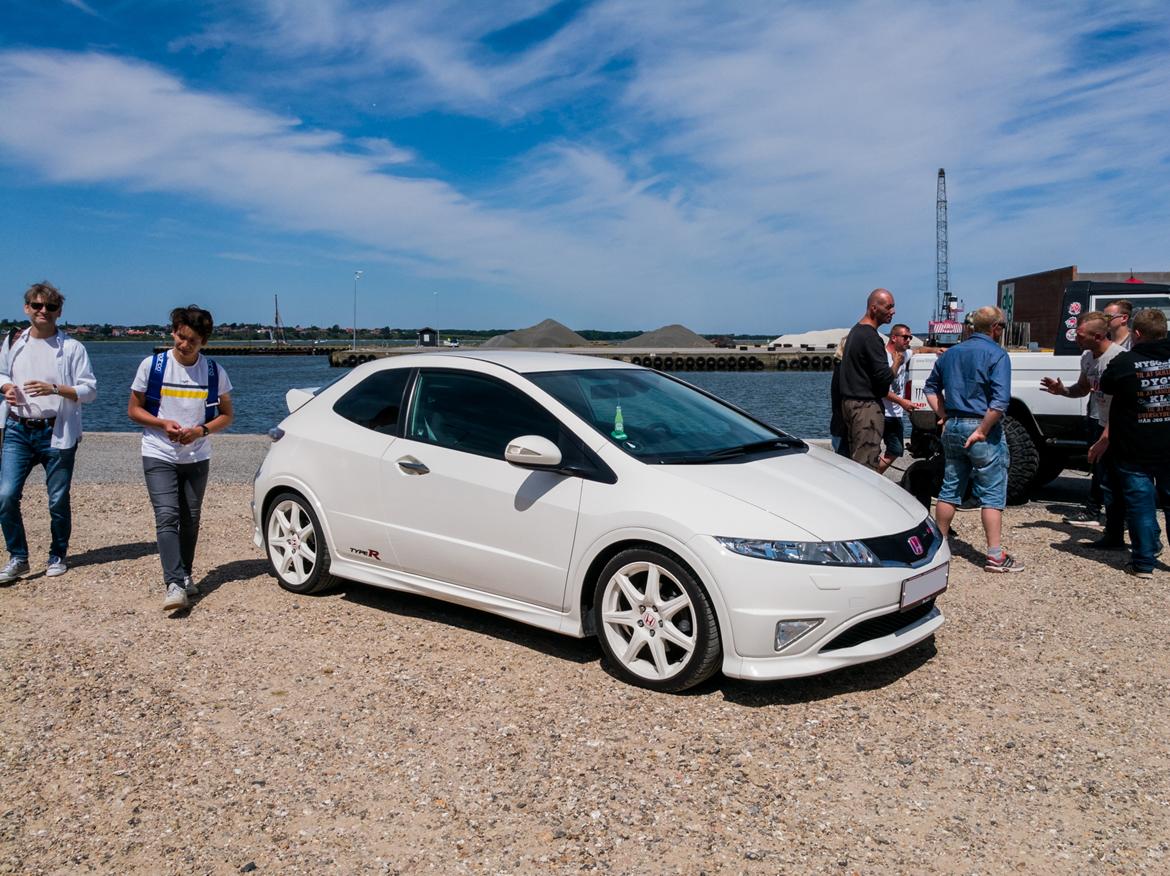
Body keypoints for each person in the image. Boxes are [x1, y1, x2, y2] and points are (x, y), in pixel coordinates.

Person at [129, 305, 234, 610]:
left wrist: (200, 430)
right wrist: (162, 424)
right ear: (173, 331)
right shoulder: (153, 366)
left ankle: (186, 575)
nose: (184, 344)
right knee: (167, 515)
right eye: (180, 336)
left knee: (190, 518)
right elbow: (134, 410)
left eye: (192, 340)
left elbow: (227, 415)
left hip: (197, 455)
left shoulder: (214, 372)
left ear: (204, 342)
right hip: (158, 451)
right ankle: (173, 583)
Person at [0, 281, 97, 583]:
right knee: (5, 495)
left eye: (50, 307)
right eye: (37, 305)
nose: (44, 311)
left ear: (59, 311)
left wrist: (55, 388)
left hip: (56, 430)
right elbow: (1, 372)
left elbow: (90, 390)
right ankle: (18, 557)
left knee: (57, 498)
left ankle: (58, 553)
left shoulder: (71, 347)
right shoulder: (13, 341)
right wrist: (6, 388)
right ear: (27, 308)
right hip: (18, 427)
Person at [923, 306, 1023, 572]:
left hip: (954, 424)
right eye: (1002, 325)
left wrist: (943, 415)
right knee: (992, 492)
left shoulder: (951, 353)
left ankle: (939, 547)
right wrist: (983, 429)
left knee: (950, 487)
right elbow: (1000, 401)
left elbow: (930, 388)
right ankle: (994, 555)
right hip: (981, 426)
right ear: (995, 328)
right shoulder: (997, 355)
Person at [1041, 311, 1124, 544]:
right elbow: (1082, 388)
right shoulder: (1087, 357)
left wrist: (1108, 433)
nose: (1075, 340)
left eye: (1080, 335)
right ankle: (1112, 533)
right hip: (1096, 420)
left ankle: (1124, 531)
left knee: (1116, 480)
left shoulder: (1118, 358)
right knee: (1102, 475)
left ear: (1098, 336)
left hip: (1115, 426)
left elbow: (1124, 402)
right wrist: (1062, 390)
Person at [1099, 308, 1170, 579]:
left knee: (1140, 506)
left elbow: (1106, 385)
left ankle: (1143, 563)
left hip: (1134, 446)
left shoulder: (1125, 362)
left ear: (1137, 334)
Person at [838, 288, 901, 470]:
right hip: (866, 408)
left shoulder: (856, 332)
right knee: (865, 466)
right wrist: (896, 363)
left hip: (850, 404)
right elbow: (883, 378)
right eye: (889, 307)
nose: (893, 312)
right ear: (874, 308)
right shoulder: (871, 337)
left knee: (856, 462)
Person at [877, 325, 943, 474]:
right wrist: (902, 402)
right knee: (885, 449)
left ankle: (874, 473)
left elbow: (918, 350)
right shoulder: (884, 357)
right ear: (894, 338)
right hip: (883, 412)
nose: (909, 340)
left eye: (910, 337)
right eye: (905, 337)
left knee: (896, 449)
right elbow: (880, 389)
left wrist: (936, 350)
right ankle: (872, 475)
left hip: (895, 414)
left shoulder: (903, 354)